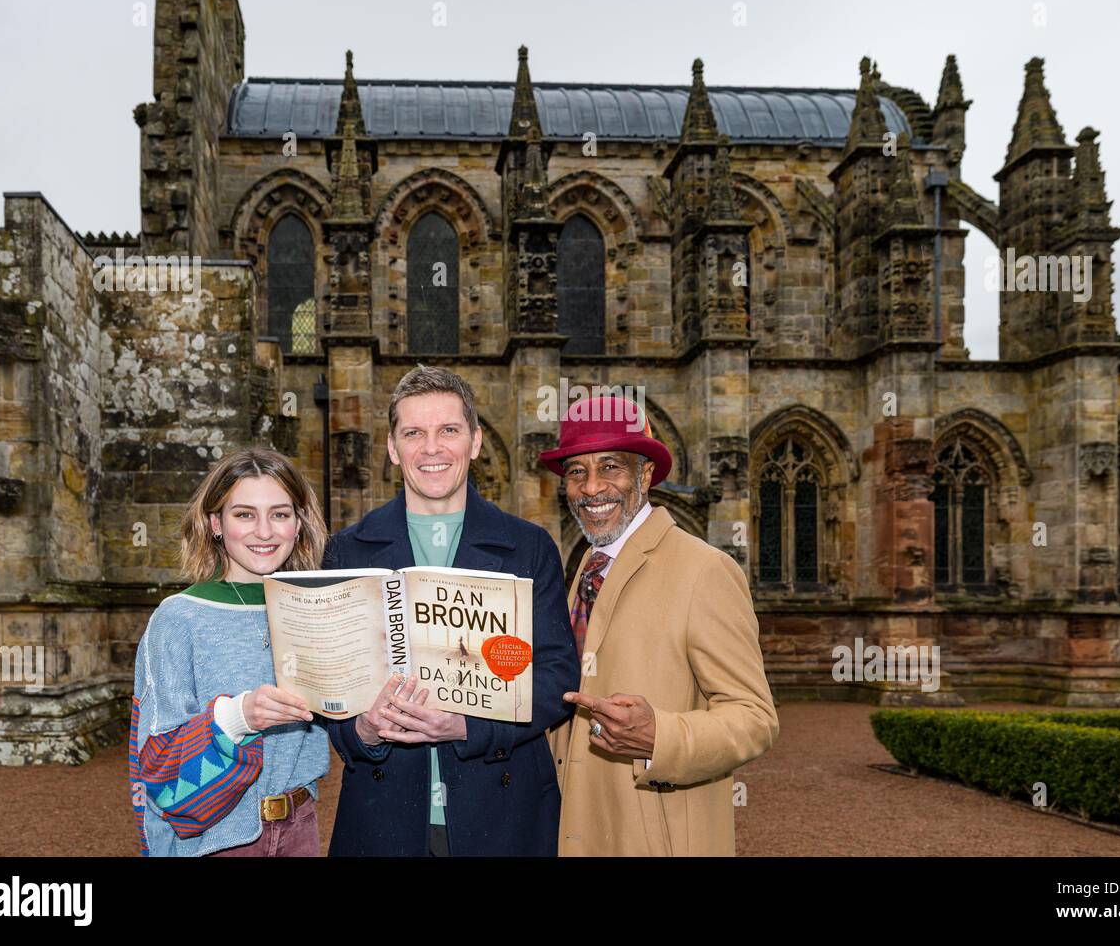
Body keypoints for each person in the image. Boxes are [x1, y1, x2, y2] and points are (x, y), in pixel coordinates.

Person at [320, 365, 579, 856]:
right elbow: (332, 693)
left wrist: (468, 726)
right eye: (414, 433)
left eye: (449, 431)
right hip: (385, 814)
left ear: (475, 441)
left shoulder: (529, 547)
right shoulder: (348, 551)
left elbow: (556, 679)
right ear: (394, 449)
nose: (432, 448)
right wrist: (364, 729)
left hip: (503, 812)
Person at [540, 395, 779, 855]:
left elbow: (754, 718)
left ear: (645, 476)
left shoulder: (705, 569)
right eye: (576, 472)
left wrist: (660, 738)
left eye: (611, 467)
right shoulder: (586, 570)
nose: (591, 489)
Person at [128, 447, 332, 857]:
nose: (265, 531)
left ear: (298, 523)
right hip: (216, 839)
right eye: (244, 515)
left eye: (280, 513)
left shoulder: (316, 607)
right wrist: (238, 717)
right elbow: (156, 763)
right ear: (215, 523)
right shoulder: (178, 617)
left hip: (301, 828)